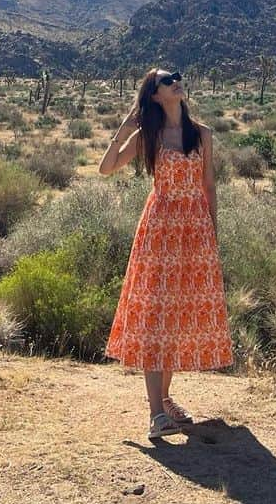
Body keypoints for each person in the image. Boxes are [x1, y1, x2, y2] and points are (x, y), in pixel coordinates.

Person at [98, 67, 233, 440]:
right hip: (159, 230)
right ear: (156, 95)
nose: (177, 81)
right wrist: (125, 128)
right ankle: (156, 415)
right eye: (167, 80)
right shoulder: (148, 136)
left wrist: (212, 234)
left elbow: (208, 186)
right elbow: (106, 168)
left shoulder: (201, 134)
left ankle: (166, 399)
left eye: (177, 76)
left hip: (192, 232)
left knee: (174, 316)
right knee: (155, 314)